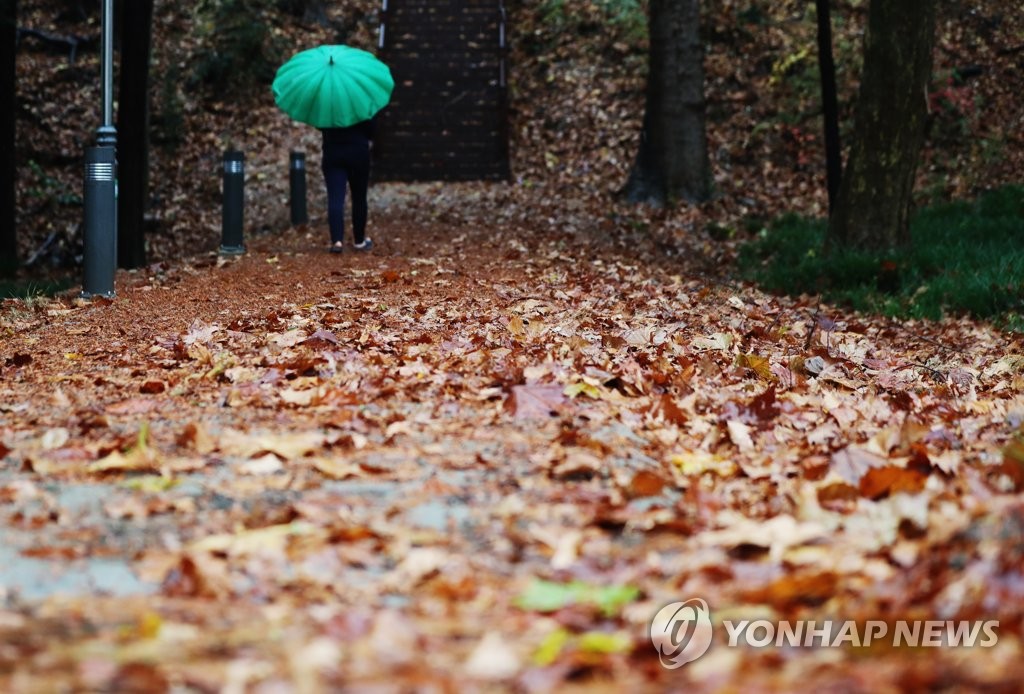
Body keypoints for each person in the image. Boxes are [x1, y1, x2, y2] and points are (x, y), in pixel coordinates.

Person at [319, 117, 376, 253]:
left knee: (335, 198)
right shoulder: (360, 103)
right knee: (359, 197)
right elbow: (371, 130)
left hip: (333, 153)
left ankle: (337, 241)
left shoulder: (328, 105)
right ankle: (359, 241)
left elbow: (320, 125)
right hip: (358, 152)